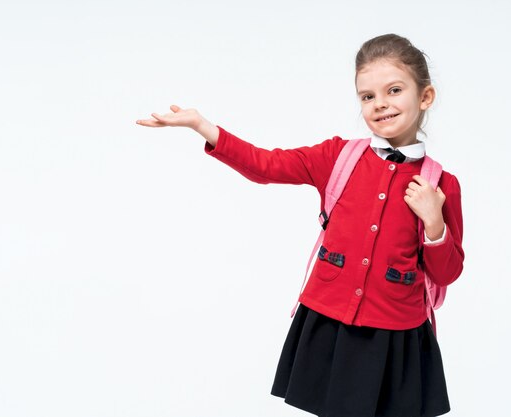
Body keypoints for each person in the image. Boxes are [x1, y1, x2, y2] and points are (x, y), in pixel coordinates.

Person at [136, 33, 464, 417]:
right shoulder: (337, 156)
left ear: (425, 96)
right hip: (331, 320)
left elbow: (447, 272)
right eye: (367, 96)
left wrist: (434, 223)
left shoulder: (441, 184)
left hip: (395, 332)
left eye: (394, 90)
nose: (380, 105)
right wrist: (203, 126)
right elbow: (265, 165)